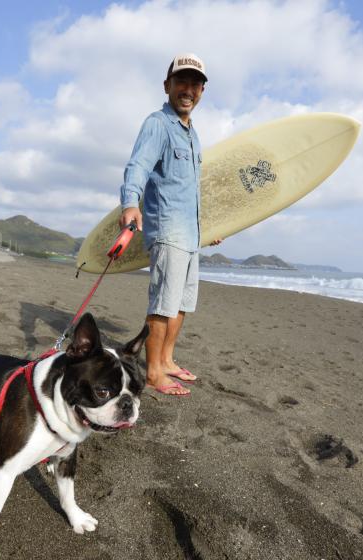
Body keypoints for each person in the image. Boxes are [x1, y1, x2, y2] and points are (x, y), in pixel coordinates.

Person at [119, 53, 221, 397]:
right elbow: (138, 167)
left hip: (190, 235)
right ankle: (152, 373)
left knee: (181, 303)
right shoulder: (157, 124)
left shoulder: (193, 135)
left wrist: (206, 229)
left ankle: (166, 360)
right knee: (163, 303)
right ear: (168, 86)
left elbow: (191, 190)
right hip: (167, 230)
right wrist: (131, 203)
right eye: (182, 82)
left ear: (202, 91)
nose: (188, 90)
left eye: (195, 84)